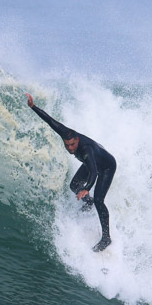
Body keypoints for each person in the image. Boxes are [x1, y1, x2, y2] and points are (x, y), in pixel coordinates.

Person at [26, 93, 116, 252]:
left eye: (73, 145)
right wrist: (33, 106)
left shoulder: (86, 150)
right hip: (94, 160)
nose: (70, 149)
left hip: (106, 166)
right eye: (67, 145)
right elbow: (50, 121)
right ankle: (87, 203)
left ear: (77, 141)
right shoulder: (66, 133)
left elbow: (94, 173)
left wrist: (86, 188)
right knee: (74, 185)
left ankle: (106, 238)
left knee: (99, 201)